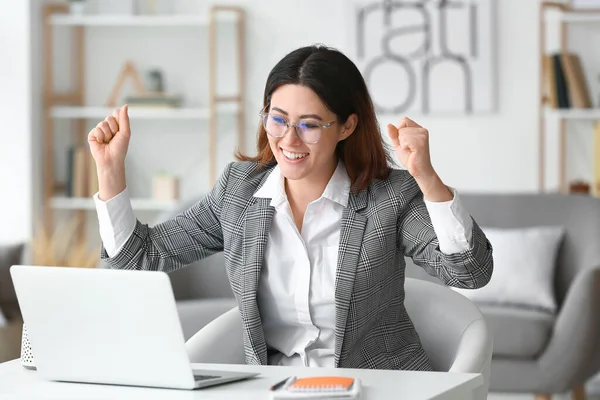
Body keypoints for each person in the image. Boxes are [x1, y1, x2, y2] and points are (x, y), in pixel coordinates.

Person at [89, 44, 493, 371]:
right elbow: (137, 259)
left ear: (347, 127)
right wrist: (110, 173)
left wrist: (427, 178)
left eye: (309, 124)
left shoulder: (390, 197)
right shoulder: (239, 192)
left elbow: (470, 272)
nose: (289, 140)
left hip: (376, 389)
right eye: (278, 119)